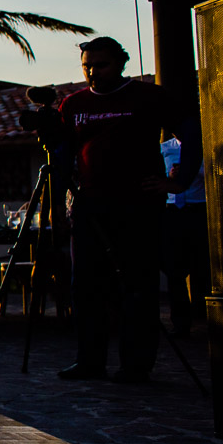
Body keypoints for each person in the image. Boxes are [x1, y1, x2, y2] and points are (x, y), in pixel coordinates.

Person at [53, 36, 199, 381]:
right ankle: (90, 360)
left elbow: (192, 131)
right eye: (87, 66)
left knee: (137, 285)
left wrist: (180, 181)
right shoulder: (73, 104)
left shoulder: (148, 97)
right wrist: (56, 205)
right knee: (85, 285)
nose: (93, 72)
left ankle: (136, 364)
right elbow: (62, 157)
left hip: (138, 204)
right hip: (89, 204)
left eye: (100, 65)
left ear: (120, 63)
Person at [162, 131, 208, 336]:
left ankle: (202, 312)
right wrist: (169, 178)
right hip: (173, 209)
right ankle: (180, 320)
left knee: (201, 264)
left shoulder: (202, 145)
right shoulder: (165, 148)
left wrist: (190, 173)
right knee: (174, 267)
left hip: (197, 207)